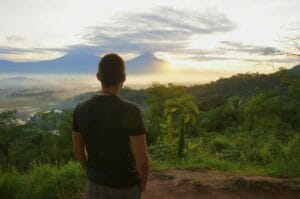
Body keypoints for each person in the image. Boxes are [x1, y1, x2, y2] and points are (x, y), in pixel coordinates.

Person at [72, 53, 150, 199]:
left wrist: (92, 172)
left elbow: (78, 151)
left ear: (98, 76)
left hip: (94, 185)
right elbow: (142, 162)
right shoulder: (132, 111)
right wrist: (143, 184)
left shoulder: (80, 109)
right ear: (124, 78)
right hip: (125, 186)